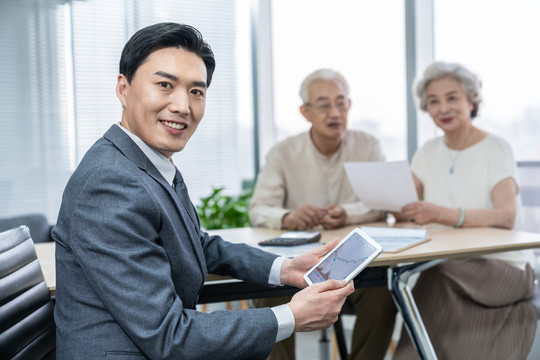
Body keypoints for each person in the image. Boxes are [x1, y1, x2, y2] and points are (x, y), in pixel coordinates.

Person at [52, 22, 355, 360]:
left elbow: (194, 242)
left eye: (196, 91)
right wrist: (291, 316)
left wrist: (286, 268)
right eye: (165, 85)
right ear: (123, 88)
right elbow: (169, 337)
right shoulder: (109, 184)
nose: (183, 105)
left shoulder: (145, 162)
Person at [249, 69, 397, 360]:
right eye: (324, 104)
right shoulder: (283, 153)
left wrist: (348, 214)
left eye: (341, 103)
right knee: (268, 294)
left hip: (356, 266)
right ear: (306, 112)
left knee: (384, 293)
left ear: (349, 106)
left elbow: (382, 203)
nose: (335, 112)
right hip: (297, 266)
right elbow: (259, 209)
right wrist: (289, 217)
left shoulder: (369, 146)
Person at [393, 61, 536, 359]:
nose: (443, 107)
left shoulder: (496, 148)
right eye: (434, 101)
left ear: (471, 101)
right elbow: (405, 207)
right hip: (450, 262)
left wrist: (442, 214)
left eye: (452, 97)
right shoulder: (427, 152)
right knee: (425, 273)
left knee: (433, 274)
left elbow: (505, 217)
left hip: (505, 267)